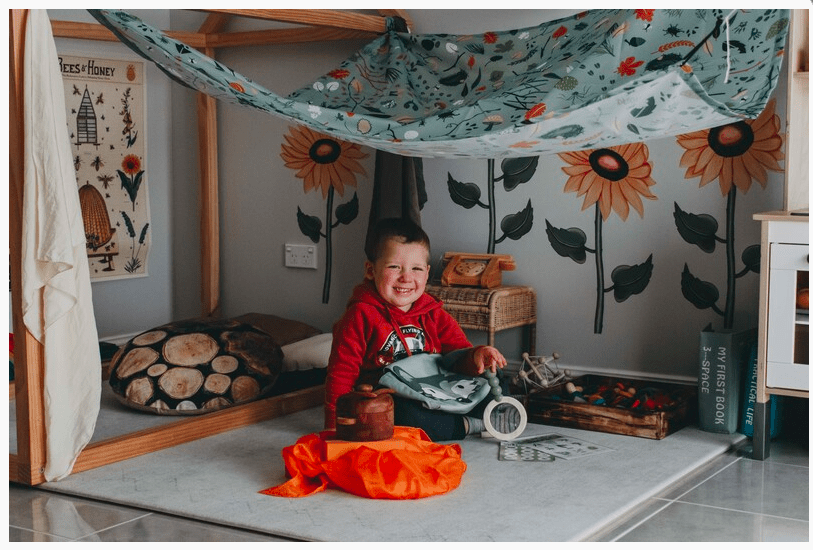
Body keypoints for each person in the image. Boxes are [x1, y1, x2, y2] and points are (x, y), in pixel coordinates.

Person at [324, 217, 510, 440]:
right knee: (402, 420)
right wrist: (335, 424)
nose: (406, 278)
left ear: (427, 272)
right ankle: (468, 425)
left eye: (416, 269)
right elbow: (341, 373)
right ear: (371, 270)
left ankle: (476, 416)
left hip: (438, 388)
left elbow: (458, 356)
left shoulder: (433, 312)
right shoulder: (360, 315)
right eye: (394, 267)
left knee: (496, 377)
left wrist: (478, 356)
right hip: (394, 397)